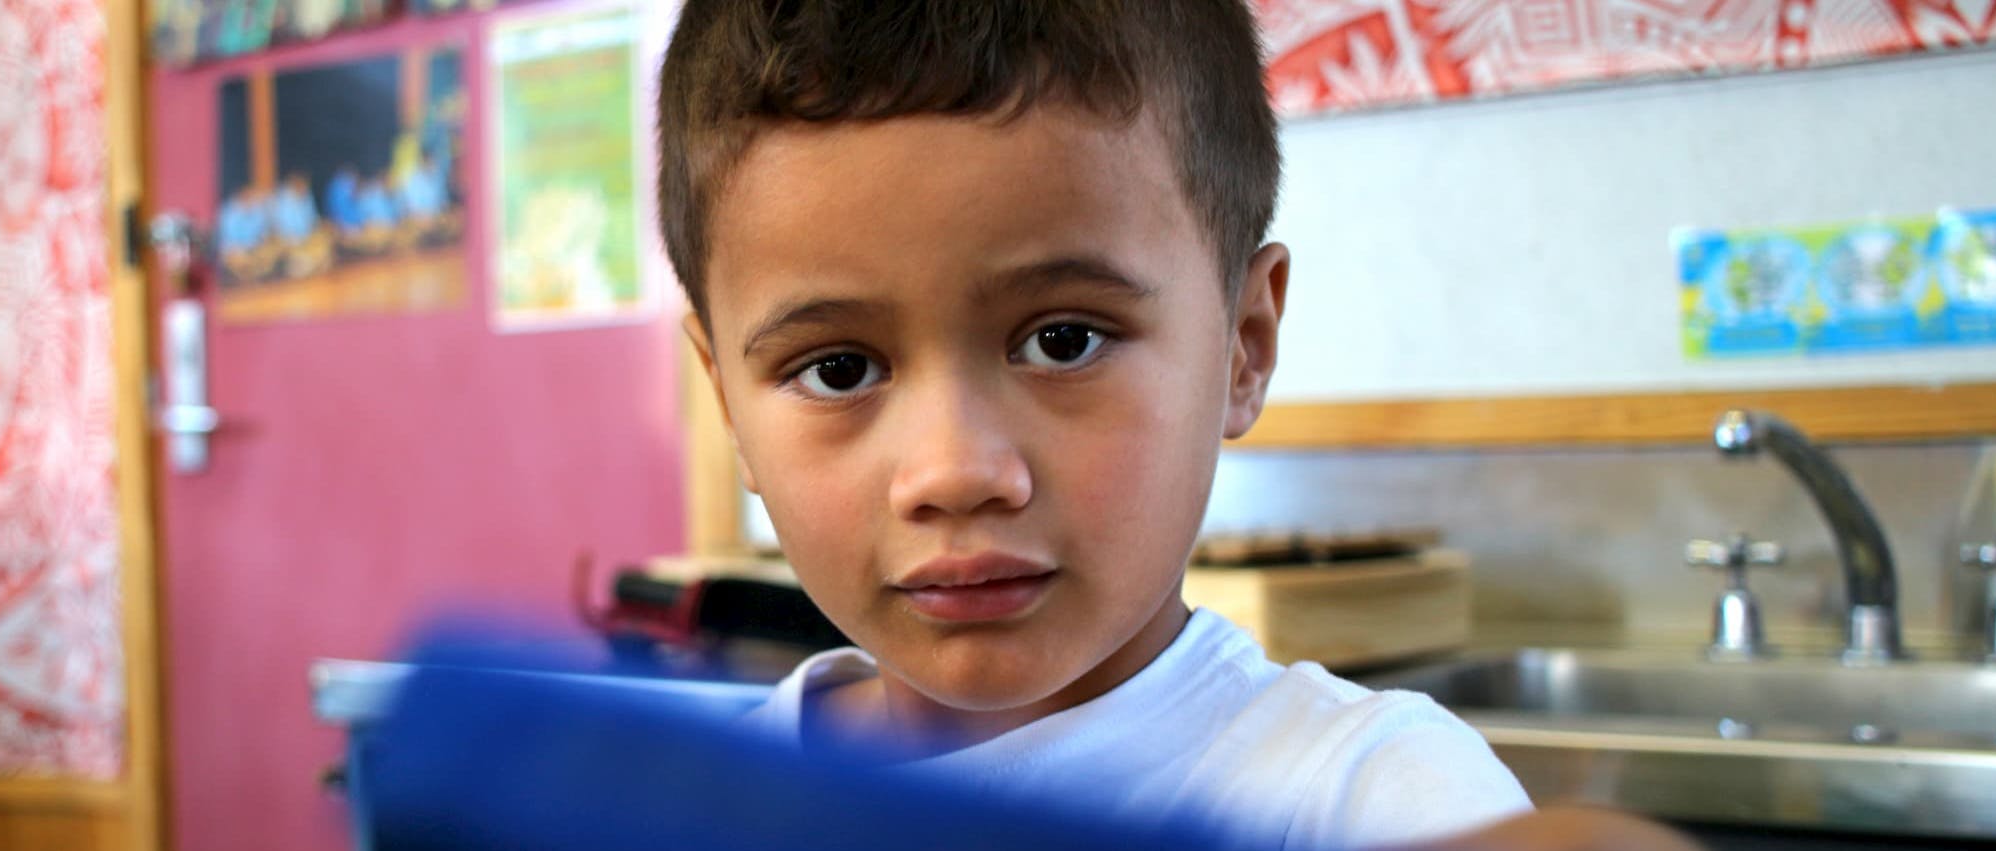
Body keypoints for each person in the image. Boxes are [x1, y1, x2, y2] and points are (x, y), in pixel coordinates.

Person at [655, 3, 1665, 849]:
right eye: (838, 368)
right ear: (729, 402)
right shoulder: (686, 803)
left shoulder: (1366, 797)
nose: (954, 470)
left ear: (1242, 343)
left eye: (1061, 340)